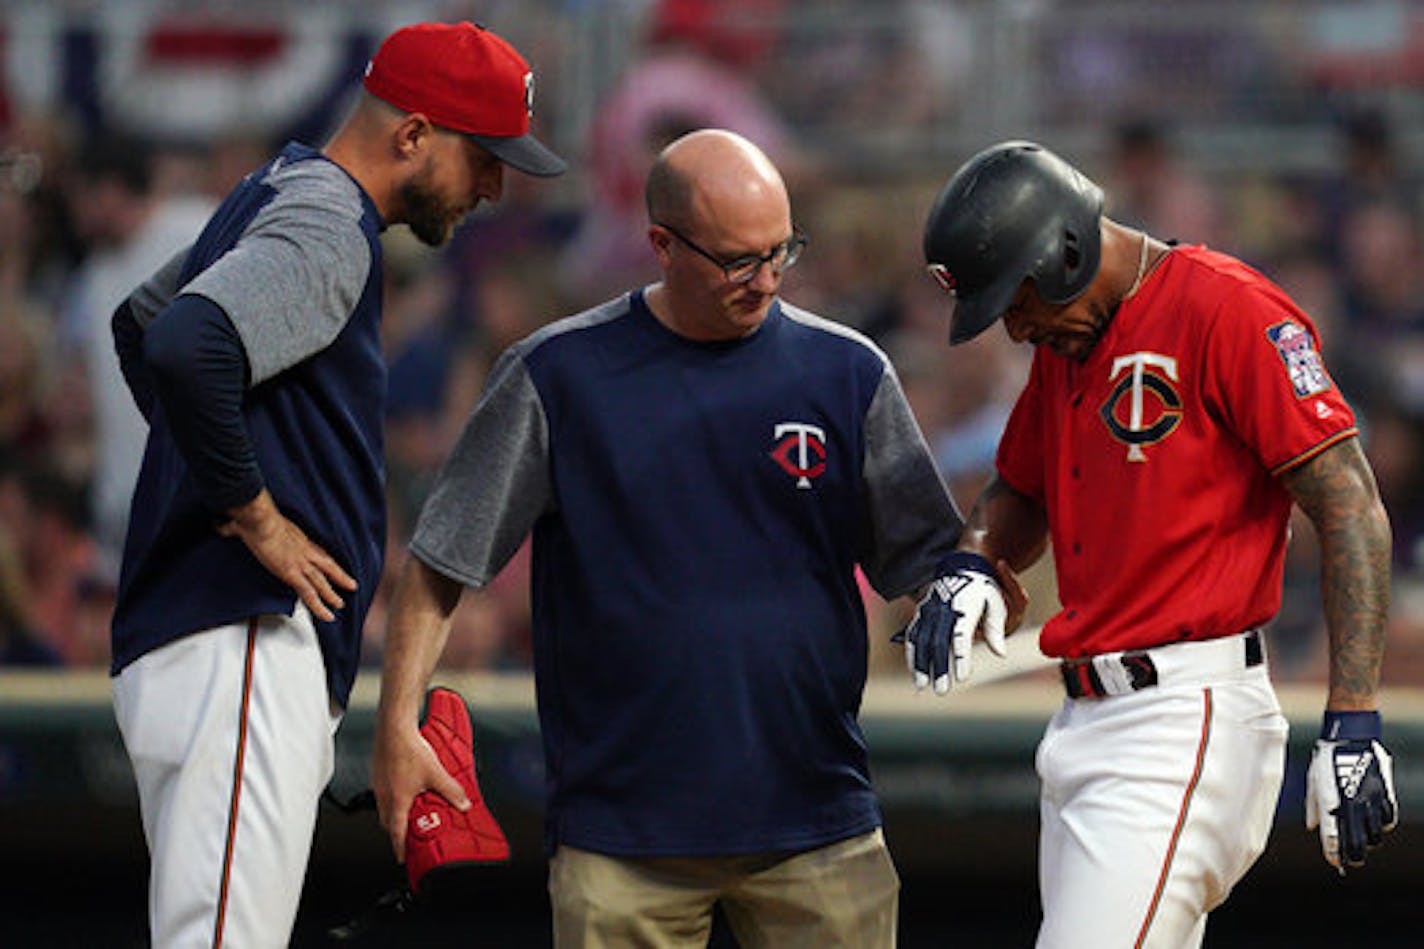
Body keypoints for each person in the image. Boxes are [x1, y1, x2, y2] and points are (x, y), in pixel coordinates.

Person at [372, 128, 961, 947]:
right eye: (736, 260)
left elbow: (931, 559)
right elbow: (439, 565)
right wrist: (397, 727)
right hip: (621, 832)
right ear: (661, 244)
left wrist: (970, 585)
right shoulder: (558, 374)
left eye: (779, 251)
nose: (764, 280)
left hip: (817, 817)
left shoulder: (848, 372)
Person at [107, 21, 565, 947]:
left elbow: (144, 318)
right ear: (411, 136)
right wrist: (250, 512)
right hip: (237, 634)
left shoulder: (277, 187)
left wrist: (214, 475)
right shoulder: (330, 217)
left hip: (216, 641)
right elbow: (180, 342)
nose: (494, 186)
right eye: (482, 158)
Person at [908, 140, 1397, 948]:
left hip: (1182, 715)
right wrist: (972, 561)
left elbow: (1349, 501)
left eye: (1018, 301)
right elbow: (1019, 488)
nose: (1017, 327)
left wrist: (1353, 716)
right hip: (1085, 723)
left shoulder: (1226, 307)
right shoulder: (1068, 341)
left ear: (1065, 250)